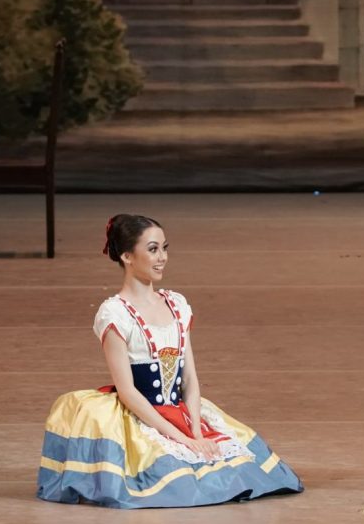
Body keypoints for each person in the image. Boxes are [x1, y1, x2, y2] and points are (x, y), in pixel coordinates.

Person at [37, 214, 303, 508]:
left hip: (181, 411)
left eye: (165, 248)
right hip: (142, 414)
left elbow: (189, 379)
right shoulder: (115, 314)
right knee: (173, 478)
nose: (162, 257)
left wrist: (197, 431)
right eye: (152, 249)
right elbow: (127, 391)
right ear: (127, 256)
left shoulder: (176, 304)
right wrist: (181, 439)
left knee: (243, 468)